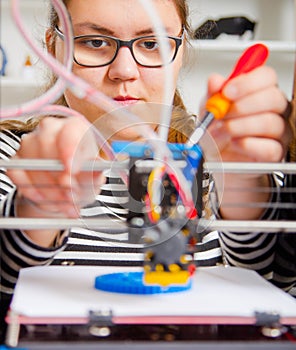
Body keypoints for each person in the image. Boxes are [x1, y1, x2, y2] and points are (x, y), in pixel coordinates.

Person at [0, 0, 293, 334]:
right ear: (55, 50)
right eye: (95, 42)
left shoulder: (235, 152)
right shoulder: (11, 154)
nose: (124, 70)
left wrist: (245, 183)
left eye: (151, 43)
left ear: (180, 51)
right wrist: (39, 203)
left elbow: (277, 280)